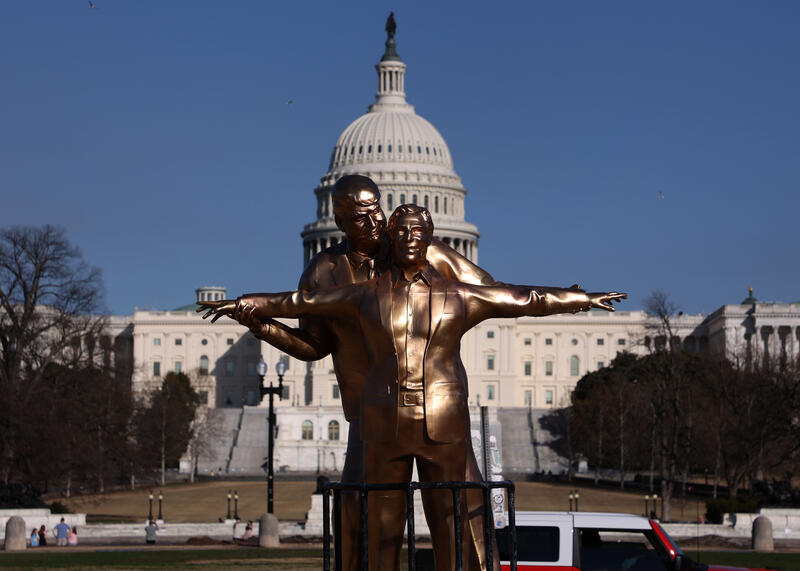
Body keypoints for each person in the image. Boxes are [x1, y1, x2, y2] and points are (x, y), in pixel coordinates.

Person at [213, 205, 625, 571]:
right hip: (383, 422)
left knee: (454, 524)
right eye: (402, 232)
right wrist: (245, 305)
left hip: (442, 420)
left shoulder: (461, 294)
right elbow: (298, 302)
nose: (410, 239)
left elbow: (524, 298)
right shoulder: (362, 295)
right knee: (382, 530)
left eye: (418, 232)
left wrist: (579, 300)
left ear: (432, 240)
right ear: (390, 239)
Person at [200, 175, 498, 571]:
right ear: (339, 220)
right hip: (368, 412)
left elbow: (487, 290)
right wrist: (263, 327)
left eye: (377, 209)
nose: (375, 221)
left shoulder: (418, 249)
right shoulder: (324, 271)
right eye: (361, 216)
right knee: (360, 520)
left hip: (433, 405)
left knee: (462, 512)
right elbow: (313, 346)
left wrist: (433, 281)